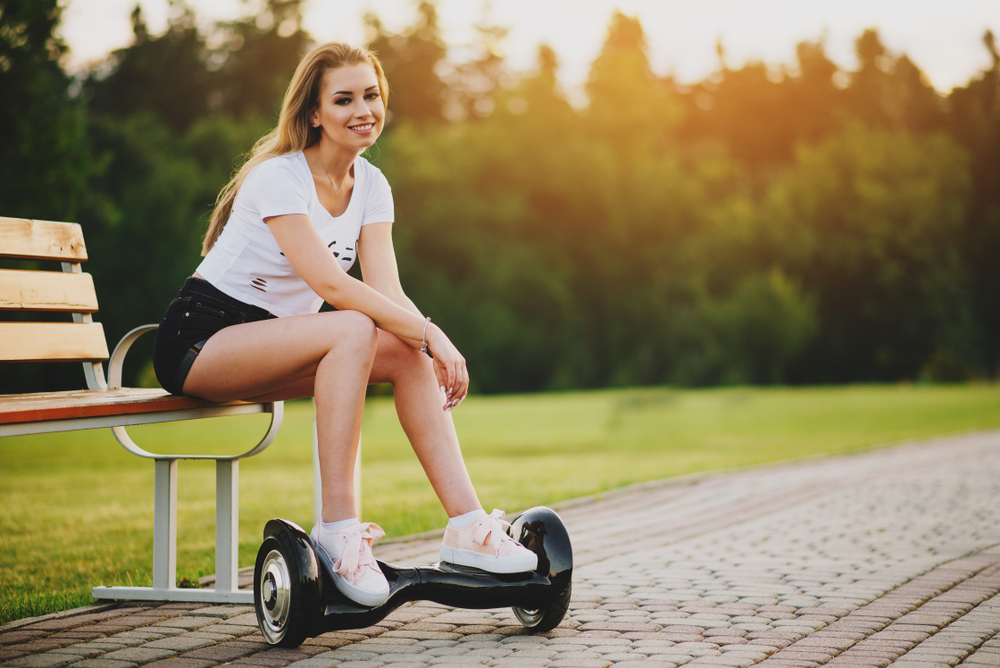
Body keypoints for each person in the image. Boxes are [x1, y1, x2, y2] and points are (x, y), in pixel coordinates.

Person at [151, 43, 536, 608]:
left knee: (405, 353)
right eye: (344, 98)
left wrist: (423, 340)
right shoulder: (278, 179)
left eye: (372, 95)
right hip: (203, 342)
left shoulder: (372, 185)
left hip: (283, 345)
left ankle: (467, 527)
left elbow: (388, 293)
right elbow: (331, 286)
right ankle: (338, 530)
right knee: (357, 327)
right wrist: (434, 333)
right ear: (314, 113)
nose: (363, 109)